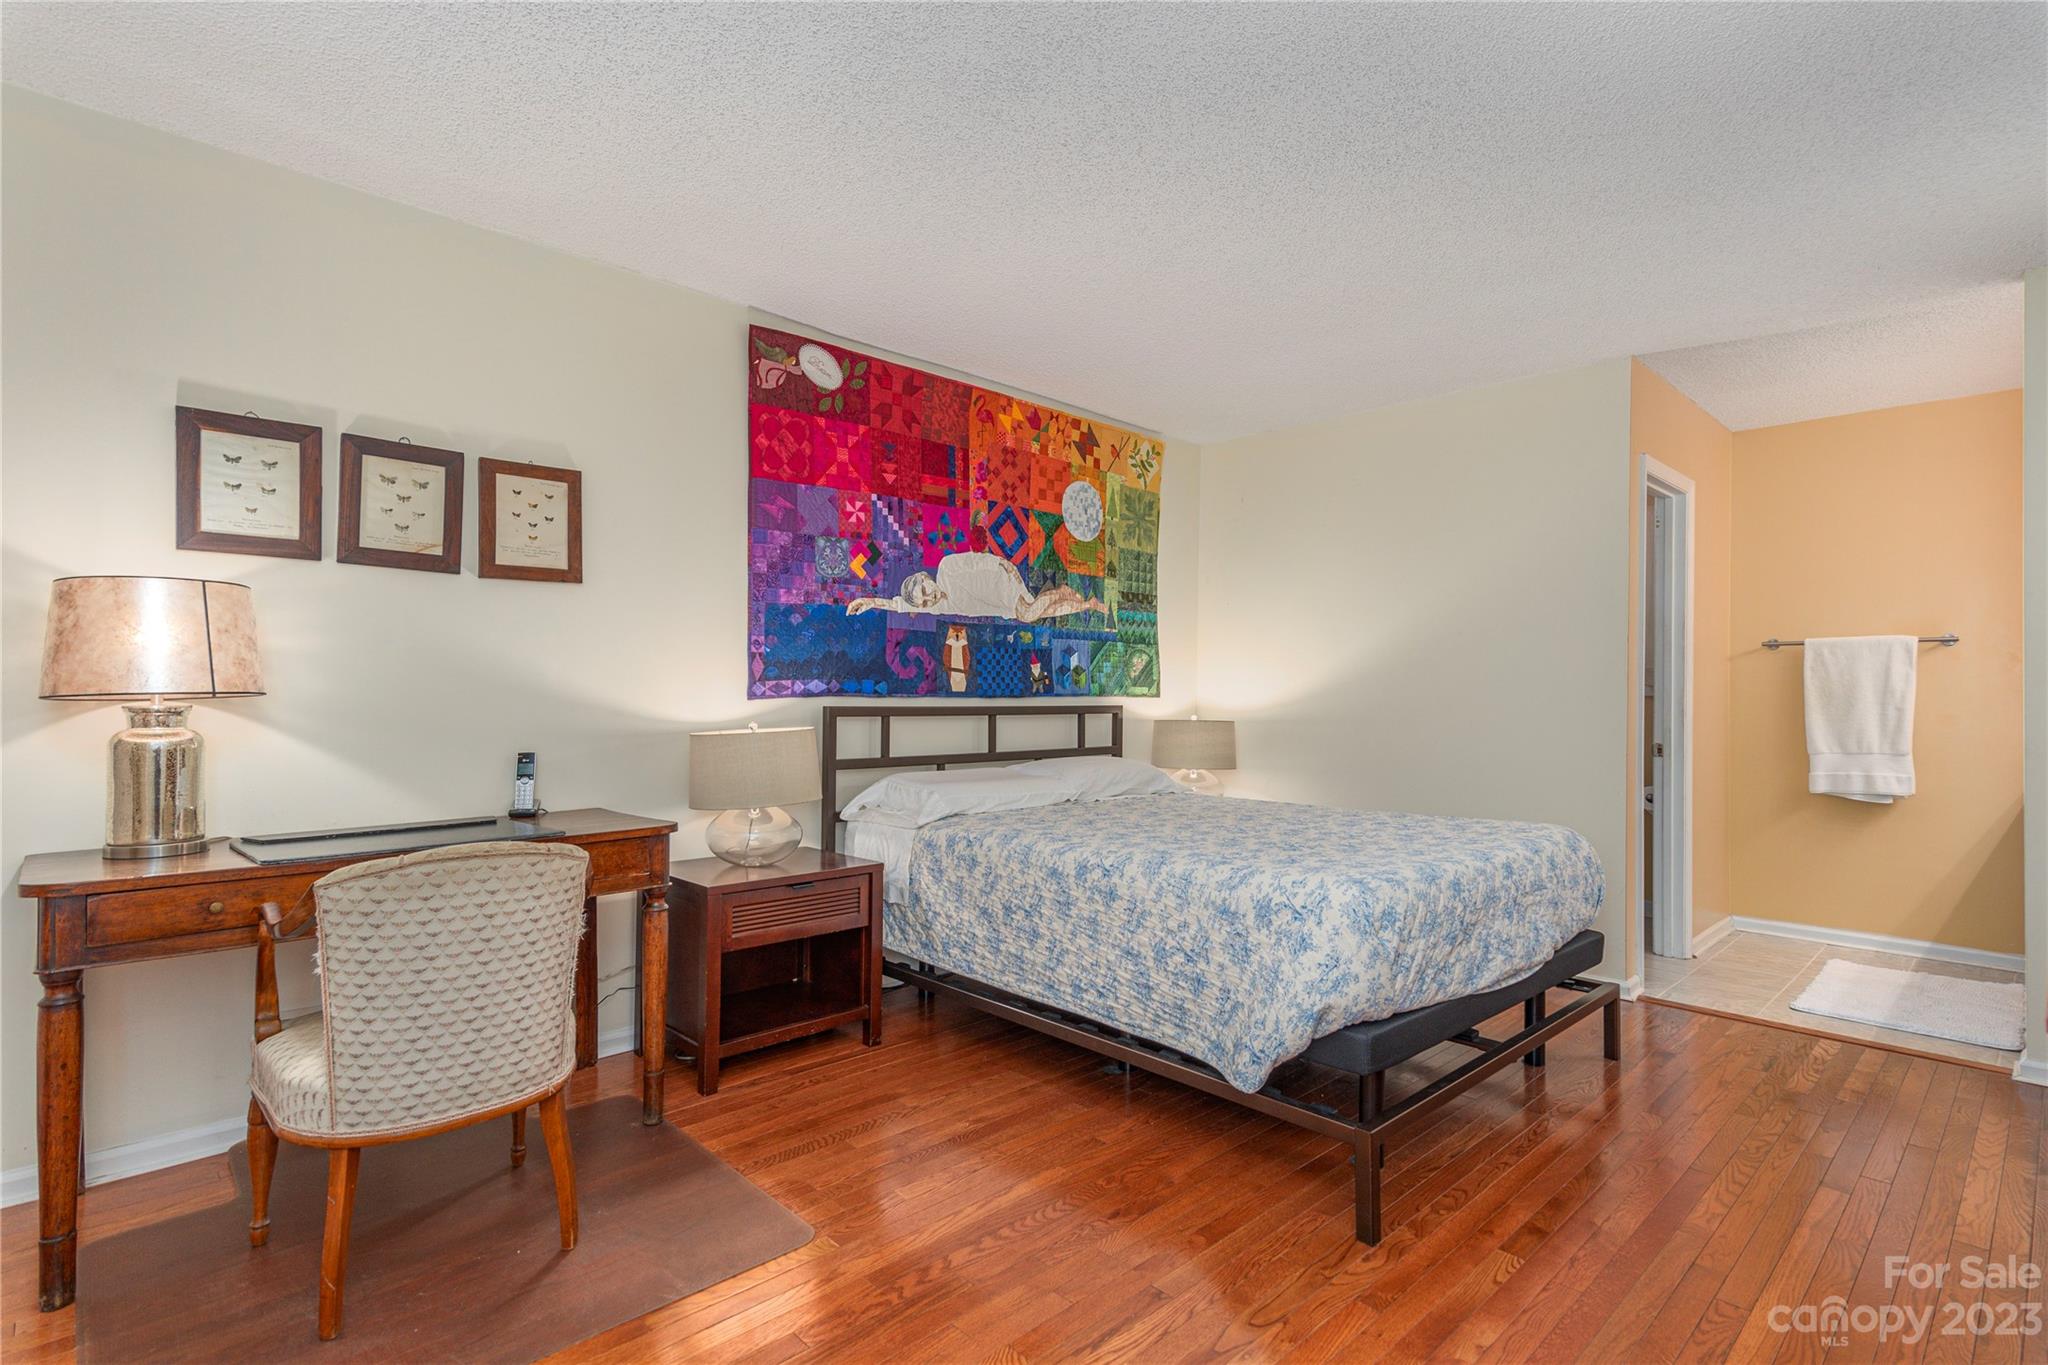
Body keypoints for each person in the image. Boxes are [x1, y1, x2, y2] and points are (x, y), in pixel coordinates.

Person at [846, 551, 1105, 622]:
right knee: (1042, 613)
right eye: (923, 602)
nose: (928, 599)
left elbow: (978, 559)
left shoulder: (947, 566)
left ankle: (1061, 592)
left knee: (1028, 615)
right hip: (997, 604)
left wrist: (1006, 566)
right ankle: (1087, 603)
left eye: (925, 592)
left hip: (999, 582)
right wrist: (870, 601)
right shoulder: (939, 607)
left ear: (926, 577)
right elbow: (898, 605)